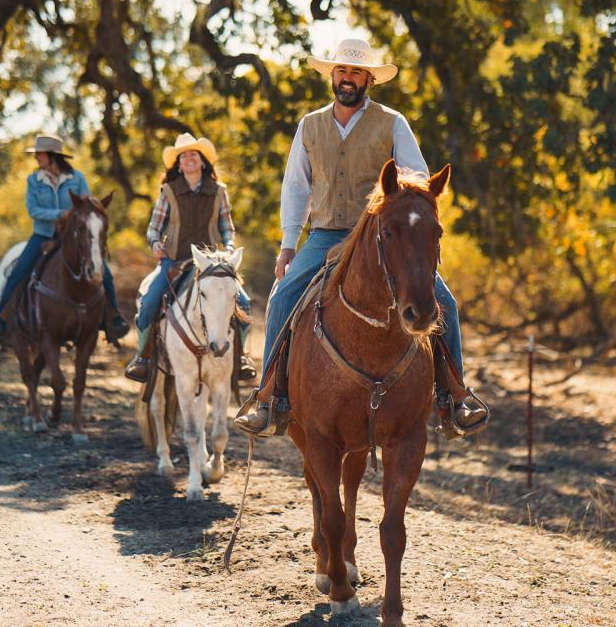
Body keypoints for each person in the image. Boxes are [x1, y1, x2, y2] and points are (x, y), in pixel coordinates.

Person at [234, 38, 489, 438]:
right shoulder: (310, 125)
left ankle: (454, 396)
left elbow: (418, 180)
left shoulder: (392, 122)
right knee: (283, 296)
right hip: (323, 234)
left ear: (369, 79)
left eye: (355, 72)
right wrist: (288, 244)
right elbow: (296, 188)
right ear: (332, 76)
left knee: (445, 303)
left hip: (380, 235)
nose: (347, 79)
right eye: (341, 71)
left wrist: (410, 230)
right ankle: (268, 397)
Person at [124, 133, 255, 383]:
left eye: (194, 154)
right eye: (184, 156)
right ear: (179, 163)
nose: (189, 158)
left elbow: (227, 227)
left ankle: (241, 358)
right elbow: (155, 227)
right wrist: (154, 243)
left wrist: (228, 247)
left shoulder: (219, 192)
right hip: (173, 261)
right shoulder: (169, 191)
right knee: (150, 302)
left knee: (245, 303)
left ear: (203, 161)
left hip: (211, 265)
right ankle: (143, 358)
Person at [0, 134, 128, 343]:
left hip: (73, 237)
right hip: (42, 235)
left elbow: (88, 205)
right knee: (19, 271)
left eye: (40, 154)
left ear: (52, 156)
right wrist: (60, 215)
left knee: (104, 273)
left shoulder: (77, 178)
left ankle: (113, 320)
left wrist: (78, 216)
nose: (36, 159)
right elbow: (33, 210)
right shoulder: (33, 181)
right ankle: (1, 318)